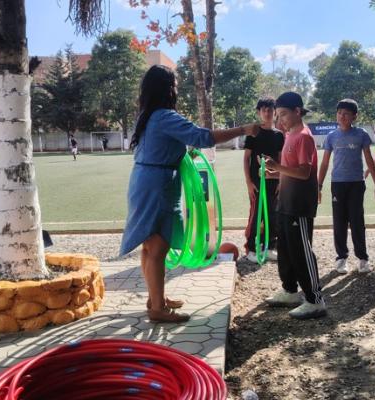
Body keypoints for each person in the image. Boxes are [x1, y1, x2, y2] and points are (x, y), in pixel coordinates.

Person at [119, 65, 258, 323]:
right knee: (158, 246)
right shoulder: (164, 116)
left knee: (150, 247)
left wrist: (183, 152)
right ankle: (158, 310)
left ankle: (155, 299)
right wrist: (243, 130)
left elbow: (165, 145)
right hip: (158, 185)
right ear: (166, 88)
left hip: (146, 181)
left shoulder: (146, 116)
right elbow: (203, 137)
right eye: (174, 84)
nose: (176, 89)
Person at [262, 91, 326, 320]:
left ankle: (315, 300)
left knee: (301, 251)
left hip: (299, 204)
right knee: (286, 249)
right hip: (286, 202)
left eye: (284, 115)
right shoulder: (290, 134)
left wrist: (278, 167)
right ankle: (290, 290)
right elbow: (290, 169)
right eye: (278, 115)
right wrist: (276, 173)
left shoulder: (304, 136)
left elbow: (304, 171)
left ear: (298, 112)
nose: (280, 120)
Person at [318, 99, 375, 274]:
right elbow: (324, 164)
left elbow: (369, 159)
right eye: (339, 113)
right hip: (337, 184)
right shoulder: (331, 137)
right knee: (339, 221)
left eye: (346, 113)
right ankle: (341, 258)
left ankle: (363, 259)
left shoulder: (361, 135)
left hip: (356, 183)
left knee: (357, 221)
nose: (342, 116)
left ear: (354, 116)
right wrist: (319, 186)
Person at [242, 97, 284, 263]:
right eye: (263, 110)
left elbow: (280, 160)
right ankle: (251, 248)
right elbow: (246, 159)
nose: (267, 113)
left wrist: (280, 181)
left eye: (270, 110)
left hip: (273, 181)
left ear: (275, 113)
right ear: (259, 112)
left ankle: (270, 247)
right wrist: (248, 182)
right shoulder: (254, 132)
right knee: (256, 215)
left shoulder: (279, 135)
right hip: (256, 183)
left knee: (272, 214)